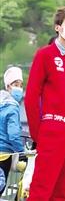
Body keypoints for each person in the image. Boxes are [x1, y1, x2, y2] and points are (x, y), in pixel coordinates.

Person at [25, 6, 65, 200]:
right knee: (42, 189)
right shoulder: (45, 55)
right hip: (53, 129)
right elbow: (31, 96)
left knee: (63, 191)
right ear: (58, 27)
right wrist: (38, 133)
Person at [0, 67, 24, 196]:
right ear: (8, 86)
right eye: (16, 84)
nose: (19, 88)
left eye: (21, 85)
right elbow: (13, 135)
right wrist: (22, 152)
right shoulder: (12, 107)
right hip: (4, 154)